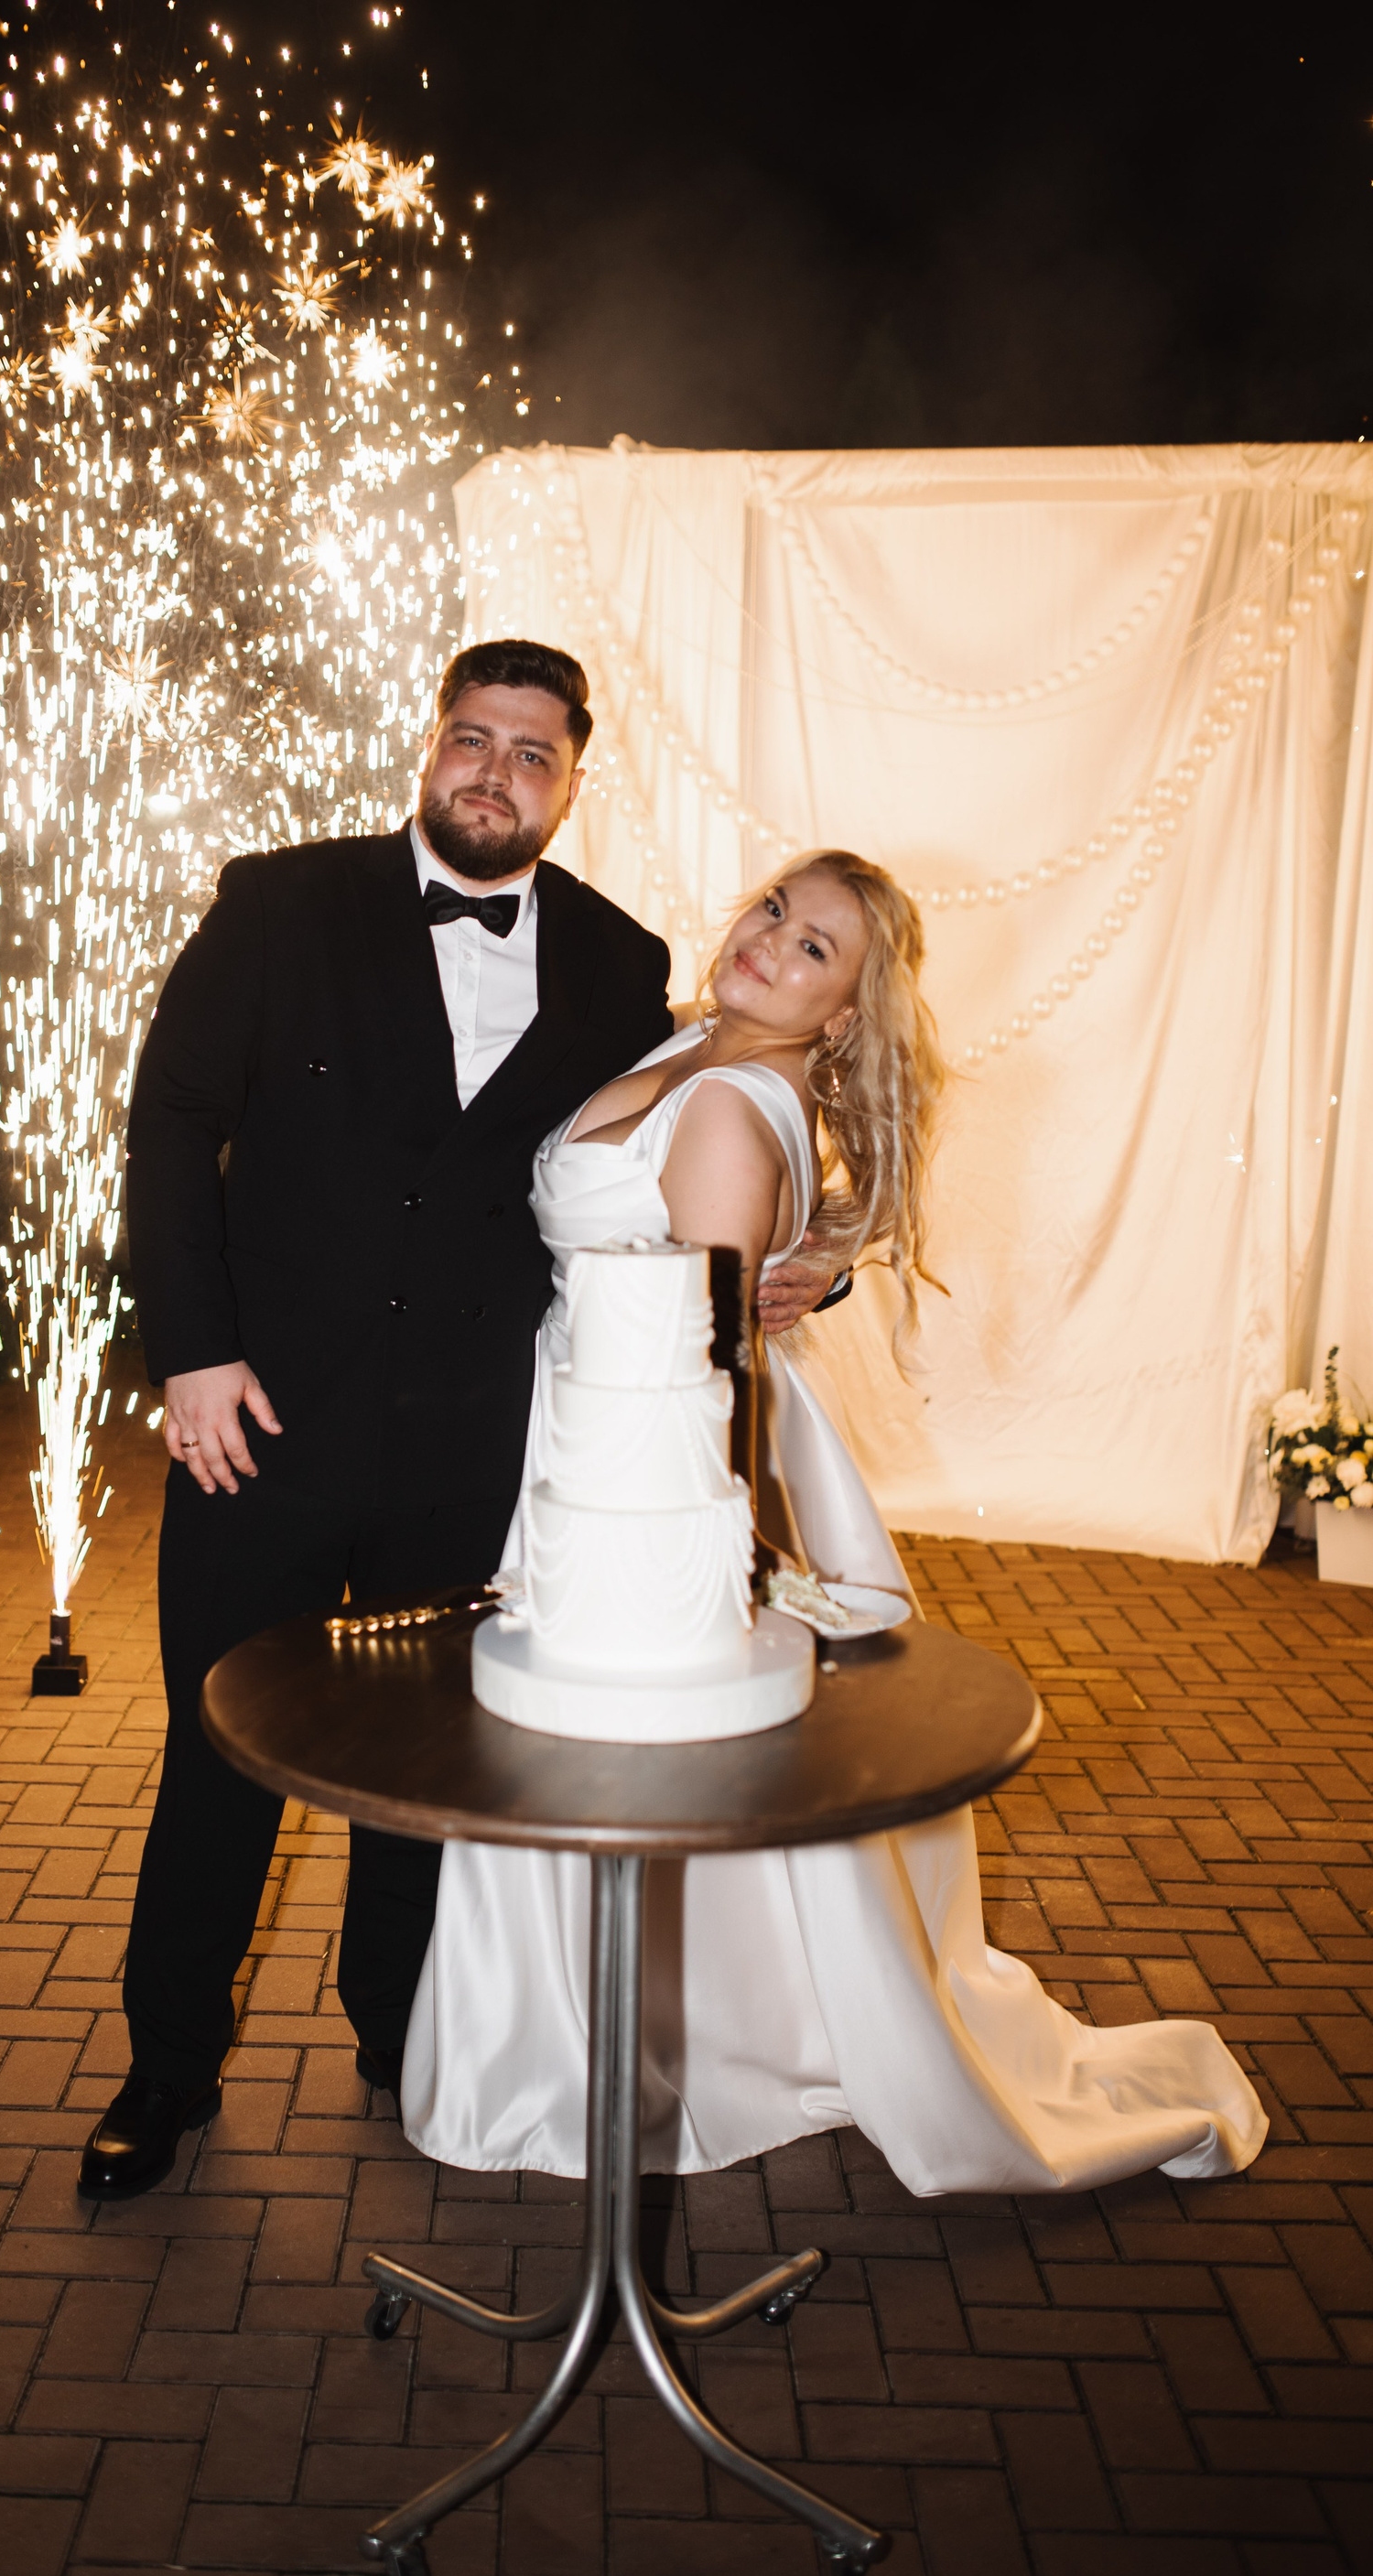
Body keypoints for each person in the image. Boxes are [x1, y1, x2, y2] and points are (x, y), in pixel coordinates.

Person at [404, 849, 1268, 2194]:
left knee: (639, 1747)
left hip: (651, 1466)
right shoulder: (696, 1043)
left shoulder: (730, 1106)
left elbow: (710, 1364)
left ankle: (675, 2047)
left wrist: (716, 1550)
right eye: (774, 911)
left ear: (847, 1013)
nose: (771, 943)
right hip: (587, 1429)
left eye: (815, 948)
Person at [86, 639, 757, 2200]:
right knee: (218, 1750)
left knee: (426, 1764)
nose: (495, 774)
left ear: (572, 781)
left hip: (473, 1443)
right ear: (431, 743)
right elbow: (172, 1123)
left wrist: (799, 1262)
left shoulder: (618, 960)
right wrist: (192, 1353)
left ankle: (401, 2037)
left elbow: (673, 1158)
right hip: (257, 1424)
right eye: (474, 739)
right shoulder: (280, 903)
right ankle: (168, 2068)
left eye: (532, 754)